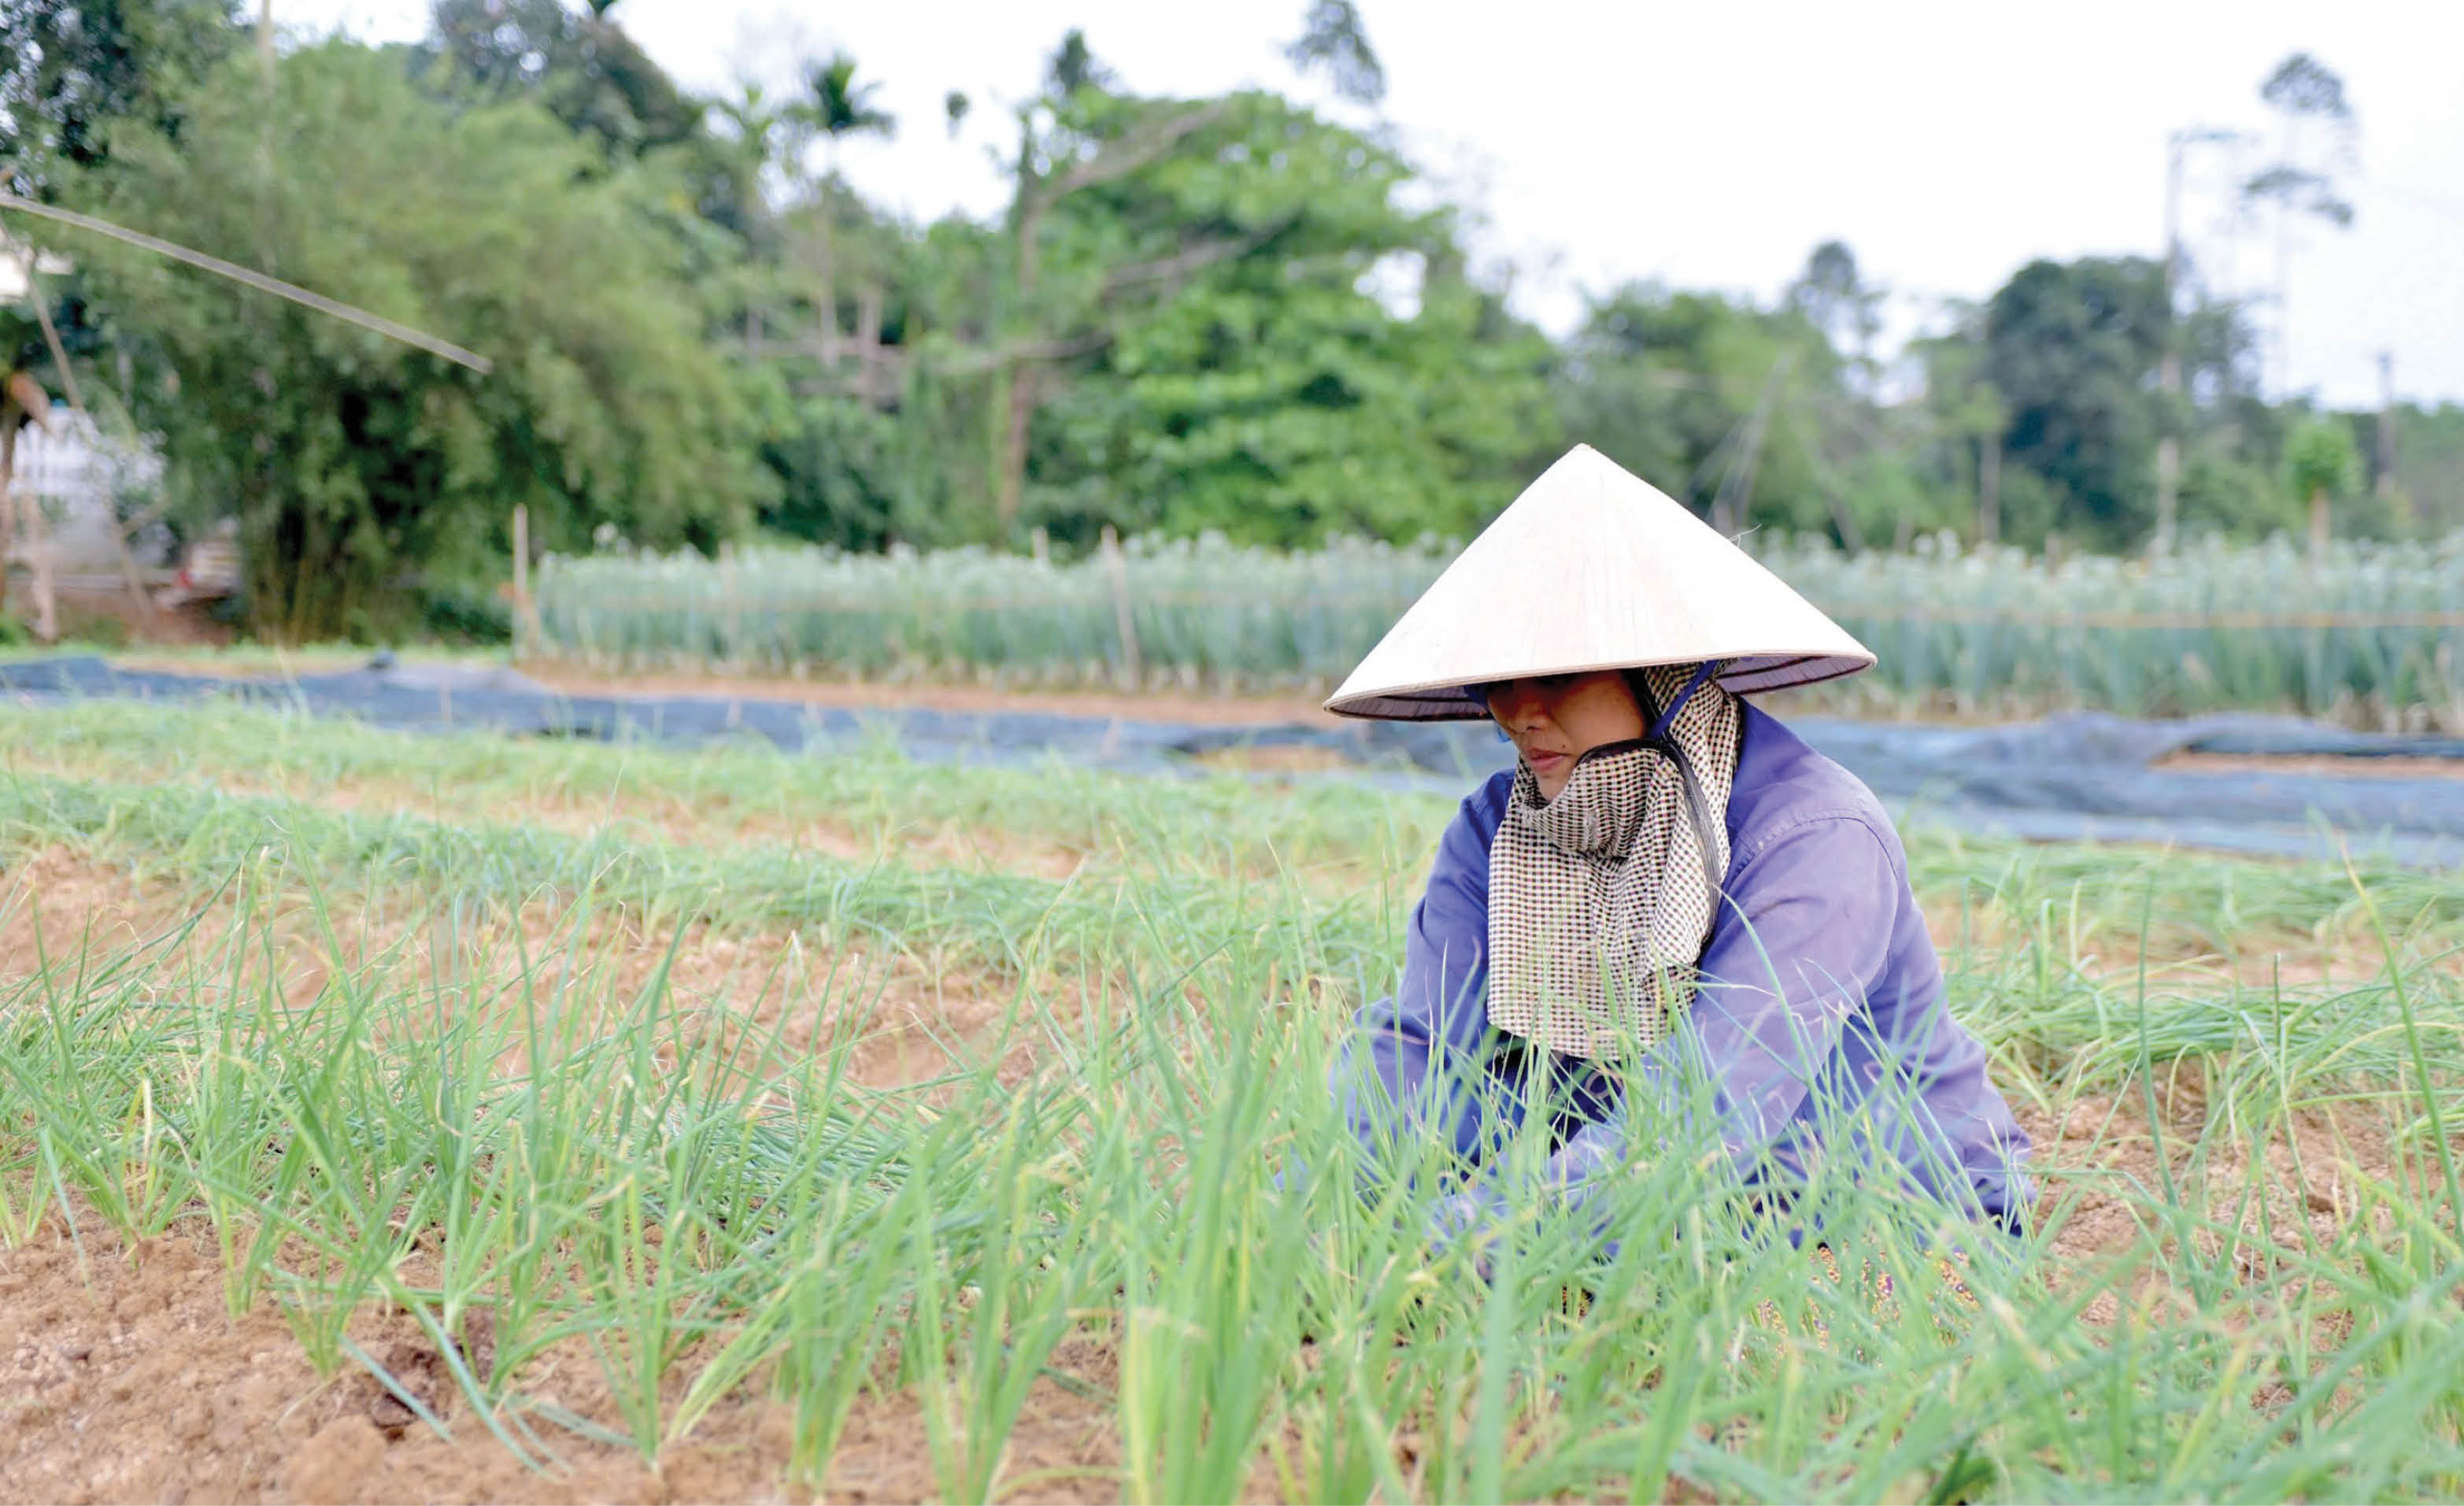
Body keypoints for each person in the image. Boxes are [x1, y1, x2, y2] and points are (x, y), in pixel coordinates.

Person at [1323, 445, 2031, 1255]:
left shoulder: (1814, 838)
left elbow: (1706, 1117)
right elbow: (1427, 1049)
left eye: (1556, 677)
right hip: (1620, 1162)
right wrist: (1313, 1218)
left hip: (1870, 1186)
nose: (1516, 711)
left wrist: (1438, 1252)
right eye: (1497, 679)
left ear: (1662, 675)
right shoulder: (1495, 827)